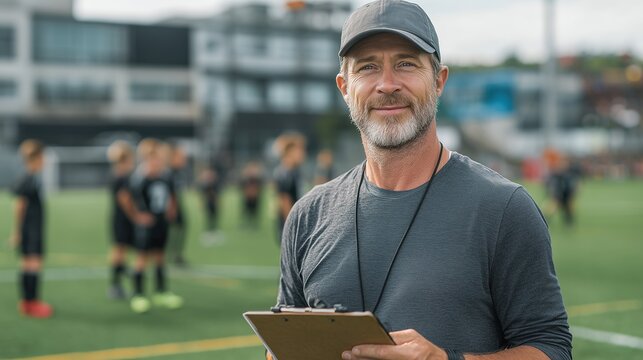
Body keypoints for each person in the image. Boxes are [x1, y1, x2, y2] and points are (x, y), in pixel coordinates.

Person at [276, 1, 572, 360]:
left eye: (406, 63)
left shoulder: (503, 209)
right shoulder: (308, 215)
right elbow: (282, 344)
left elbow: (551, 348)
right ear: (344, 87)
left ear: (439, 80)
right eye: (367, 67)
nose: (387, 84)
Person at [128, 139, 182, 313]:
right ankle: (138, 294)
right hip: (146, 223)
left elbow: (172, 195)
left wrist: (171, 210)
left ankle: (161, 292)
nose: (157, 161)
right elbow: (128, 199)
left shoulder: (166, 176)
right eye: (153, 158)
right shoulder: (140, 177)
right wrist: (137, 216)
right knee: (142, 258)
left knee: (160, 256)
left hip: (161, 221)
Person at [9, 140, 53, 318]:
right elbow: (19, 205)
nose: (45, 161)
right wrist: (18, 231)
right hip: (30, 229)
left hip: (31, 228)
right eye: (43, 157)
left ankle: (27, 302)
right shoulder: (28, 178)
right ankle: (32, 302)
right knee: (33, 264)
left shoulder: (33, 177)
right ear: (37, 157)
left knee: (28, 264)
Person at [106, 140, 144, 299]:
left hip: (120, 218)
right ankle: (116, 285)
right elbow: (124, 199)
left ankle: (118, 284)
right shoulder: (121, 176)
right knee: (120, 250)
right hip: (123, 219)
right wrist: (136, 216)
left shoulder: (121, 175)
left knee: (121, 250)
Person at [273, 134, 306, 243]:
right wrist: (293, 225)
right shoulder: (284, 173)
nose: (303, 154)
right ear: (290, 152)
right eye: (299, 150)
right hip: (290, 225)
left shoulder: (295, 171)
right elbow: (284, 200)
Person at [165, 143, 189, 266]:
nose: (183, 159)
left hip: (177, 204)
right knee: (166, 230)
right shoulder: (169, 172)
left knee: (181, 227)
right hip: (170, 206)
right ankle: (167, 254)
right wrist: (170, 208)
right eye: (181, 156)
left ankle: (176, 254)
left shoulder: (178, 172)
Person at [240, 161, 264, 228]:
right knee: (247, 210)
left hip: (255, 197)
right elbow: (242, 186)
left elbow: (260, 187)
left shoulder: (257, 178)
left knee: (255, 210)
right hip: (248, 197)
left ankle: (254, 223)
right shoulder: (246, 178)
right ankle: (247, 222)